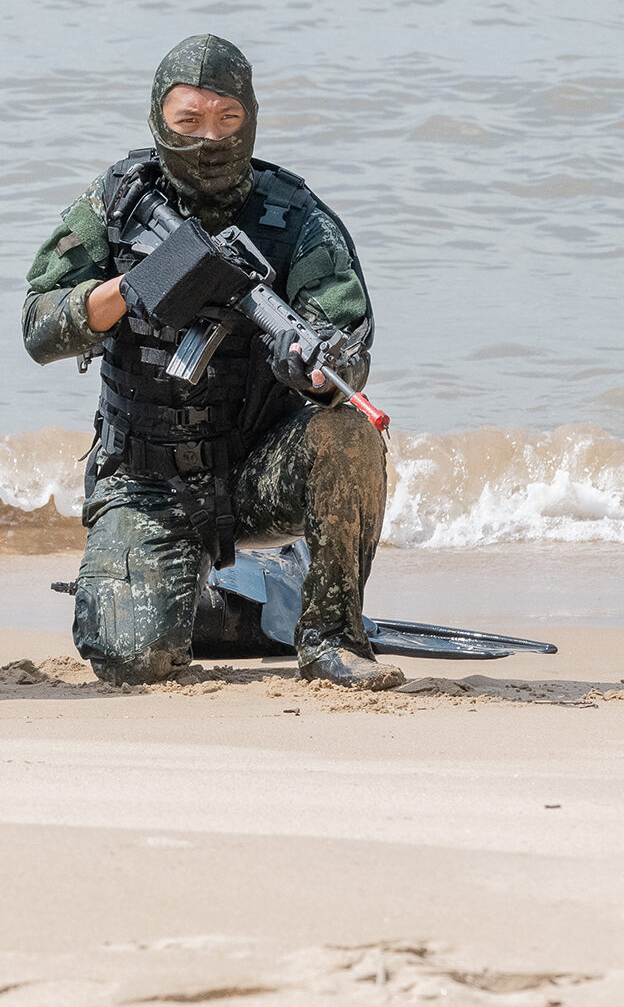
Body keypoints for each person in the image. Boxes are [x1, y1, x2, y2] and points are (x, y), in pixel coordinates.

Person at [23, 34, 398, 689]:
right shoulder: (115, 203)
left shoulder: (297, 220)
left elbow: (346, 349)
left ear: (250, 117)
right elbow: (38, 328)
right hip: (143, 478)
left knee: (348, 433)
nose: (209, 139)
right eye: (188, 121)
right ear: (158, 120)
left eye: (228, 119)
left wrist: (316, 369)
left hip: (256, 471)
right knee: (130, 660)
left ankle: (332, 638)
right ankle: (199, 589)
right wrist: (133, 287)